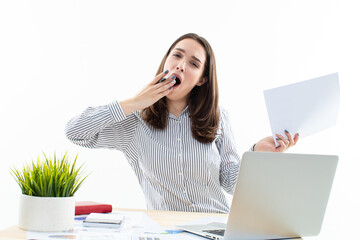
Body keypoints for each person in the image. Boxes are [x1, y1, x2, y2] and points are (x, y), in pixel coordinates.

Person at [65, 33, 299, 213]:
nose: (181, 65)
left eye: (194, 64)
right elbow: (75, 132)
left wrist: (257, 154)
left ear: (202, 79)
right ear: (166, 60)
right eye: (177, 55)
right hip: (165, 231)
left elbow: (230, 182)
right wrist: (135, 102)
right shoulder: (136, 121)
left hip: (216, 228)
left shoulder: (218, 117)